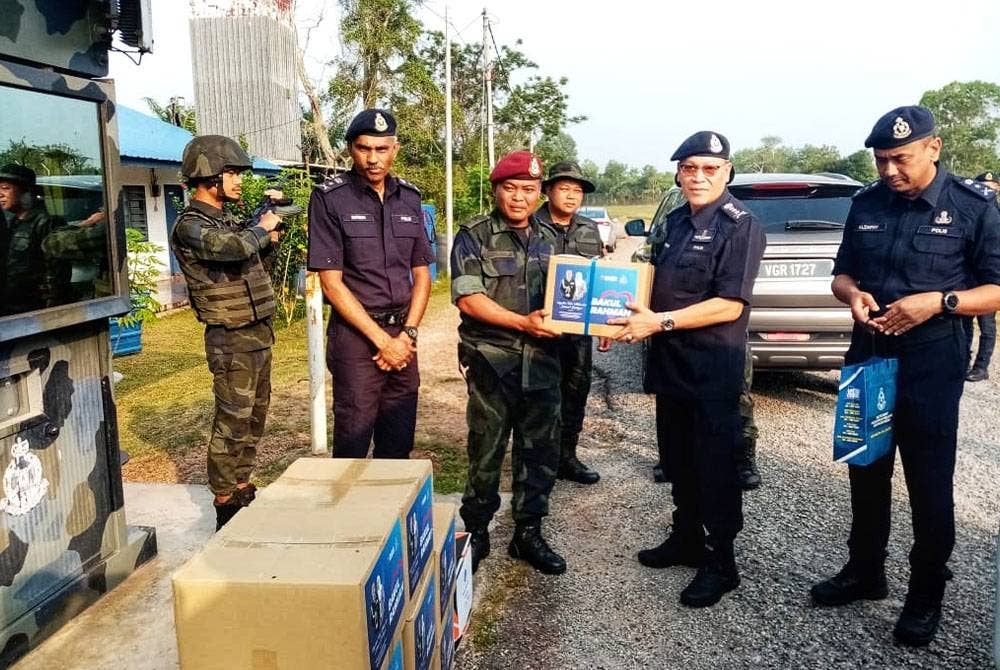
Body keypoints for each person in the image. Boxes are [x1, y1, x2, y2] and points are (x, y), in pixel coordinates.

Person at [810, 106, 1000, 646]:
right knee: (865, 469)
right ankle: (865, 570)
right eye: (881, 160)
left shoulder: (973, 207)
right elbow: (840, 273)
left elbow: (997, 287)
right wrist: (852, 293)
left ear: (933, 149)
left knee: (928, 481)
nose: (889, 170)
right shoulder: (866, 203)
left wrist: (939, 302)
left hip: (931, 362)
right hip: (868, 355)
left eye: (900, 158)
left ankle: (924, 595)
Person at [609, 131, 766, 608]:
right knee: (677, 458)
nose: (699, 177)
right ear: (678, 172)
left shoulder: (740, 226)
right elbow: (650, 285)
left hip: (712, 368)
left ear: (727, 172)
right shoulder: (675, 223)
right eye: (690, 168)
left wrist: (661, 321)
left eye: (710, 169)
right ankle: (686, 537)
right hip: (672, 366)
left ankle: (721, 562)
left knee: (715, 466)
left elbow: (729, 305)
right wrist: (614, 320)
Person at [451, 150, 566, 575]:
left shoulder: (553, 238)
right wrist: (523, 323)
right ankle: (476, 532)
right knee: (486, 449)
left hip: (544, 363)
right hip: (492, 361)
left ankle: (528, 532)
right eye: (510, 188)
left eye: (529, 190)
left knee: (539, 451)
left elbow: (572, 296)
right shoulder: (474, 235)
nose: (519, 198)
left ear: (540, 194)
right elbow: (468, 297)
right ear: (497, 190)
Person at [170, 135, 285, 530]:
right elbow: (234, 249)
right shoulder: (191, 226)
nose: (238, 181)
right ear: (208, 177)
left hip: (258, 334)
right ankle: (224, 502)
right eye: (231, 173)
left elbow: (251, 263)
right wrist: (260, 229)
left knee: (255, 417)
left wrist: (270, 236)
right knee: (232, 420)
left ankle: (242, 486)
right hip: (230, 339)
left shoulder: (227, 222)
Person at [307, 109, 434, 459]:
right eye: (365, 148)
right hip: (356, 339)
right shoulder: (330, 198)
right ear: (351, 148)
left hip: (403, 335)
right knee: (354, 434)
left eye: (382, 149)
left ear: (395, 149)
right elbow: (331, 283)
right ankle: (348, 515)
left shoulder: (410, 198)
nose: (373, 159)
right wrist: (383, 341)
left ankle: (388, 513)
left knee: (399, 437)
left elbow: (421, 274)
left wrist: (406, 336)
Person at [535, 161, 606, 485]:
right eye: (564, 188)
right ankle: (539, 465)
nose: (571, 196)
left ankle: (567, 458)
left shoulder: (589, 229)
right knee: (539, 400)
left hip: (578, 334)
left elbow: (599, 277)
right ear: (548, 190)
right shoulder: (529, 224)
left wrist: (606, 326)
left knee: (575, 395)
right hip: (537, 330)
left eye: (577, 191)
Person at [0, 164, 64, 315]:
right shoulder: (10, 222)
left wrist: (51, 310)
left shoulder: (45, 222)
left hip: (32, 310)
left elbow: (56, 272)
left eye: (5, 188)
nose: (0, 194)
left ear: (26, 191)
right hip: (9, 307)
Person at [962, 170, 999, 382]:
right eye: (984, 188)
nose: (988, 191)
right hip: (966, 277)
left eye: (992, 188)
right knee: (963, 323)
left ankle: (981, 366)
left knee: (987, 325)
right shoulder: (970, 213)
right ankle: (962, 362)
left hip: (988, 280)